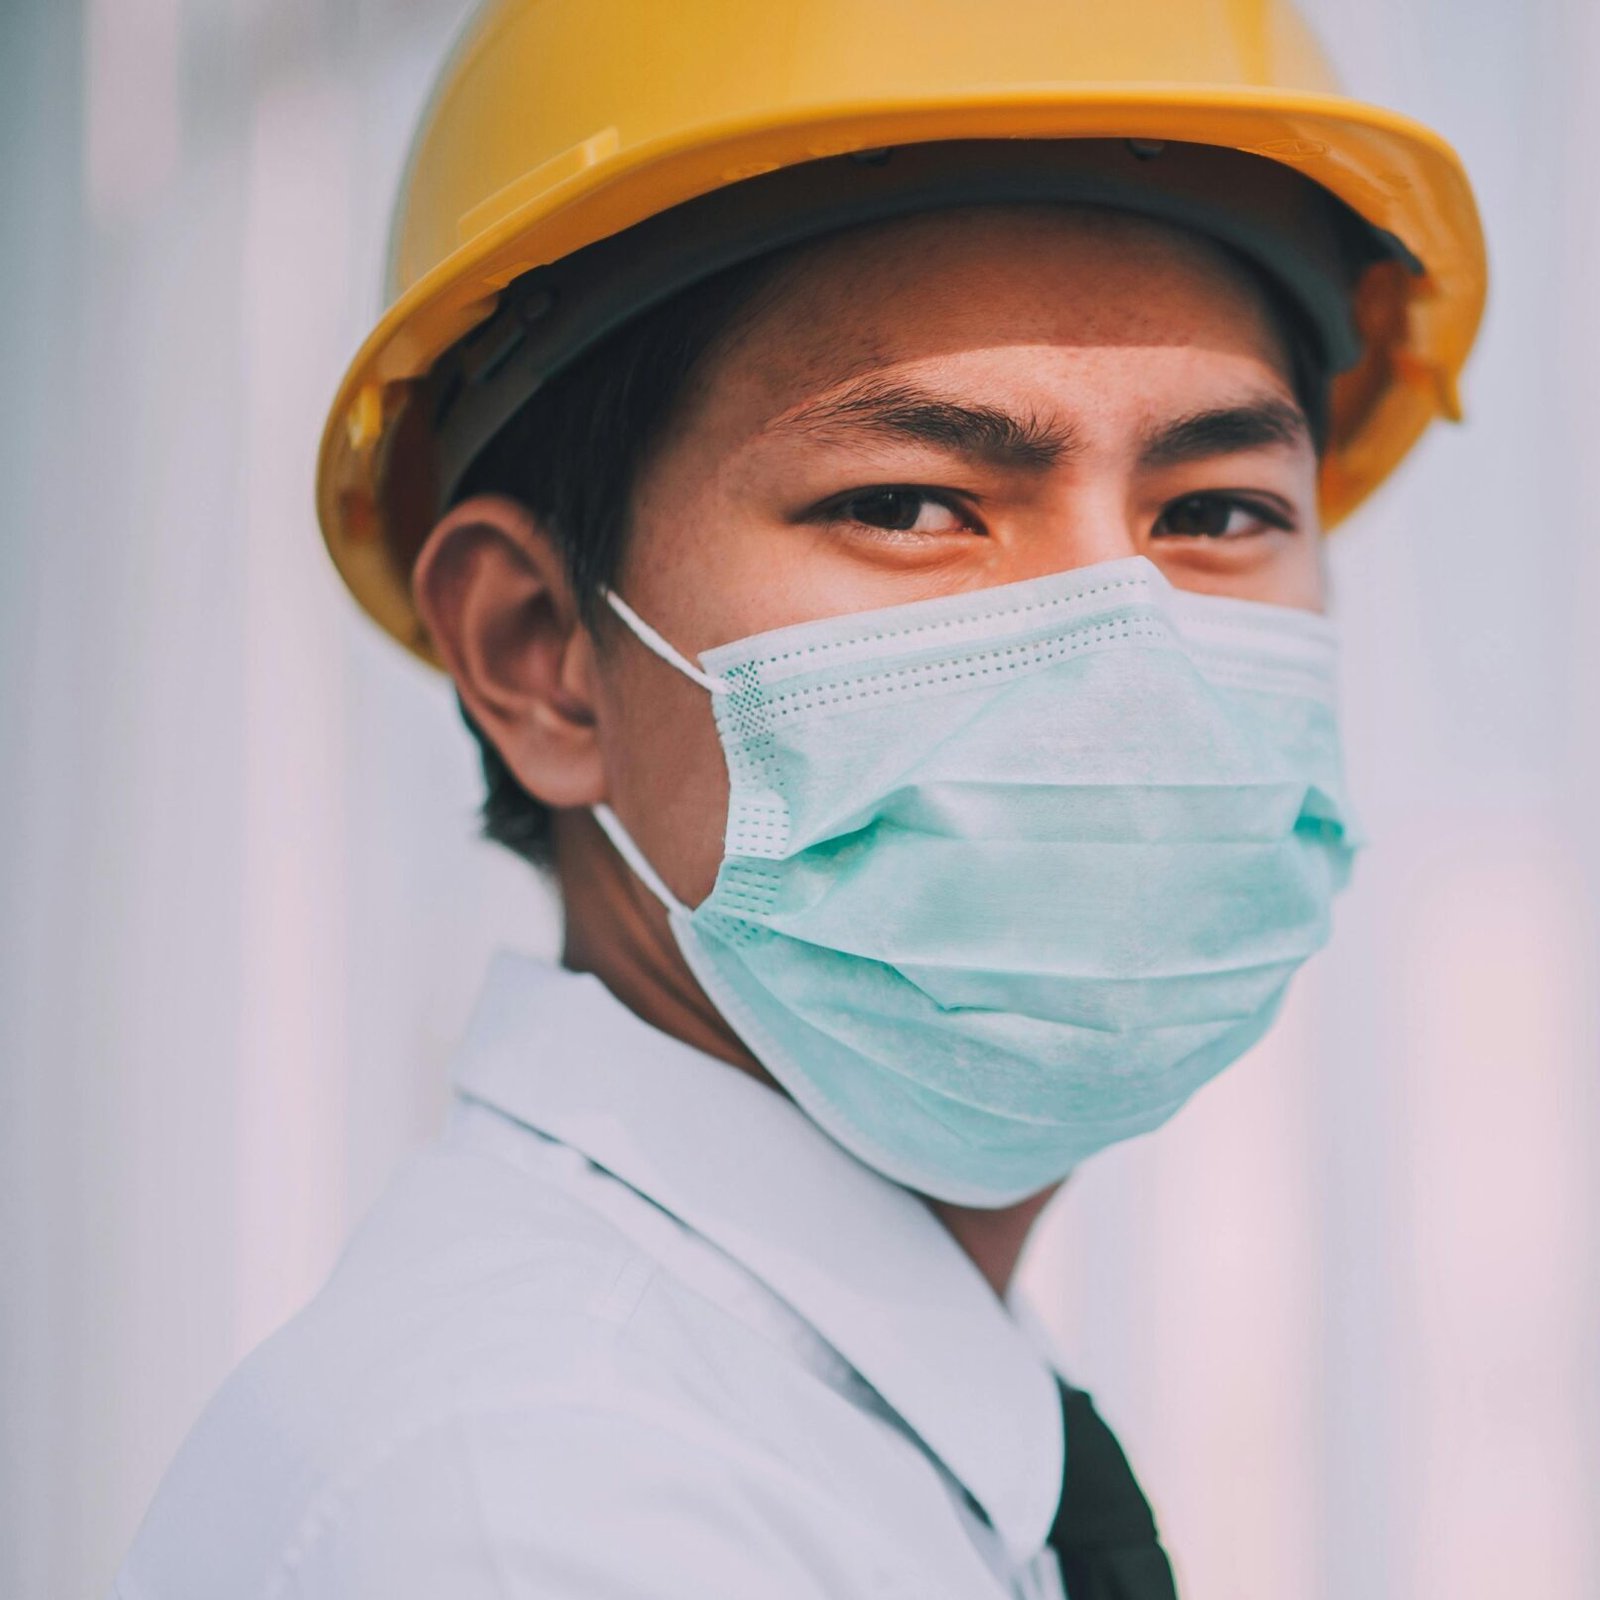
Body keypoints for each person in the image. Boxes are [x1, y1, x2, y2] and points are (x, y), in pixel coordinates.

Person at [110, 2, 1485, 1596]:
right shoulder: (537, 1515)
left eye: (1219, 509)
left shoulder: (831, 1428)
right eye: (913, 505)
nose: (1130, 655)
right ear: (540, 654)